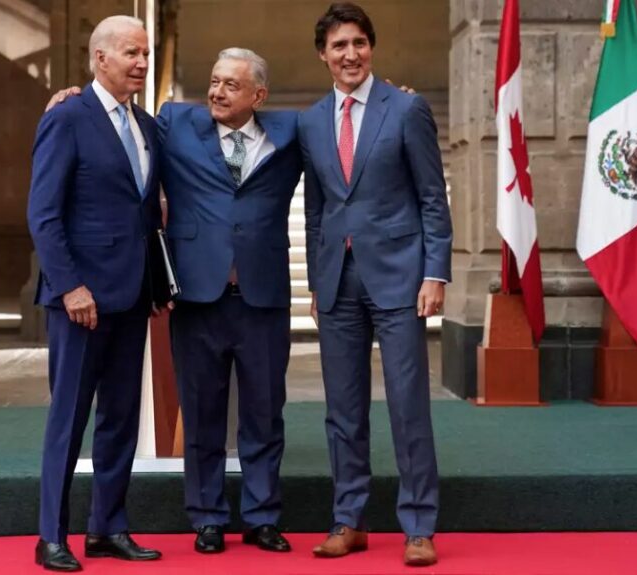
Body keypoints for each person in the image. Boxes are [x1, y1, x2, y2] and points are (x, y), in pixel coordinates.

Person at [47, 47, 302, 556]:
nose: (217, 92)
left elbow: (347, 123)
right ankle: (208, 518)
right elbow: (114, 123)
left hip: (263, 297)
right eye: (214, 81)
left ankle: (261, 517)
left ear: (259, 96)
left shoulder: (293, 132)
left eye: (232, 85)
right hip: (198, 296)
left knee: (264, 414)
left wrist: (396, 97)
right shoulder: (174, 123)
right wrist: (74, 97)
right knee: (202, 414)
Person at [298, 2, 452, 567]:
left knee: (408, 405)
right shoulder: (311, 121)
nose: (350, 54)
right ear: (323, 55)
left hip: (401, 279)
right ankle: (349, 520)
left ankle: (418, 526)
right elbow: (316, 210)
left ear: (371, 48)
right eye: (339, 45)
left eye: (359, 43)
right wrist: (318, 281)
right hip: (337, 283)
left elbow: (432, 198)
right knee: (342, 410)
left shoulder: (406, 108)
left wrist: (435, 272)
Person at [27, 14, 165, 572]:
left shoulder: (147, 124)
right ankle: (51, 537)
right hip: (79, 302)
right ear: (99, 58)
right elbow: (43, 214)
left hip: (132, 297)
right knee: (69, 419)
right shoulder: (67, 117)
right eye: (132, 52)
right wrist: (69, 287)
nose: (142, 62)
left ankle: (108, 527)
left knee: (120, 419)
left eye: (146, 53)